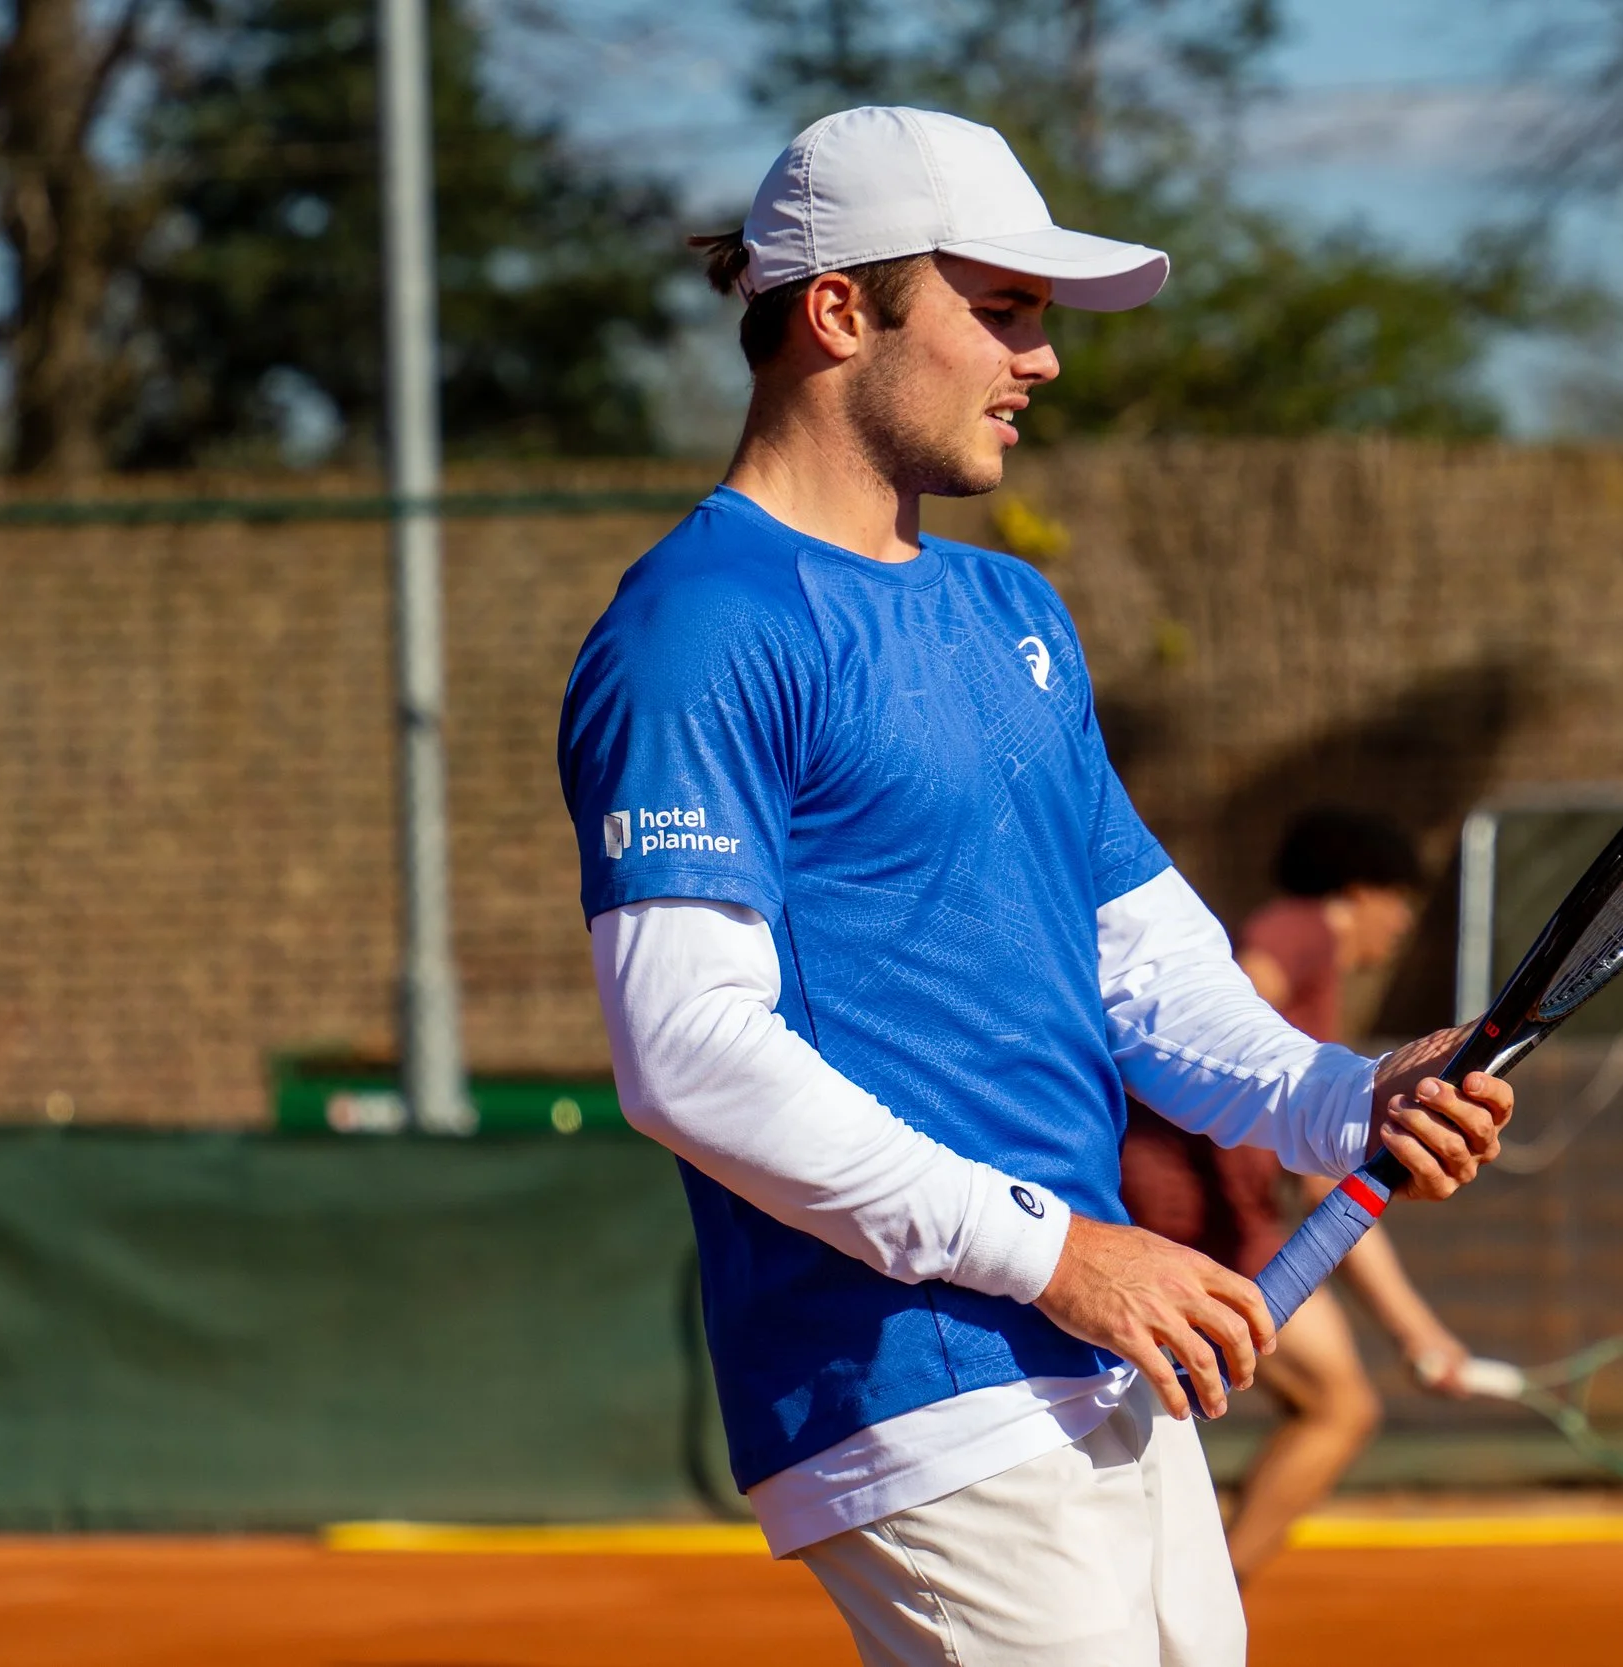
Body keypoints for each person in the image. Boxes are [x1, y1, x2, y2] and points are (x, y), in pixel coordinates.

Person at [558, 106, 1513, 1666]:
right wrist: (1059, 1251)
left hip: (1093, 1350)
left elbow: (1143, 961)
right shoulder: (699, 628)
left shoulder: (1012, 609)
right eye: (999, 310)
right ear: (839, 309)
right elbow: (686, 1053)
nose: (1043, 360)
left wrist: (1348, 1094)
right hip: (915, 1368)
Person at [1122, 807, 1482, 1581]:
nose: (1400, 928)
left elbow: (1328, 1169)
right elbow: (1246, 987)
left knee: (1326, 1407)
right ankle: (1205, 1604)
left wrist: (1415, 1329)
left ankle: (1195, 1587)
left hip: (1224, 1218)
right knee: (1339, 1407)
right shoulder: (1307, 928)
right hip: (1199, 1221)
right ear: (1360, 892)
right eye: (1400, 905)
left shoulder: (1317, 976)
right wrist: (1416, 1330)